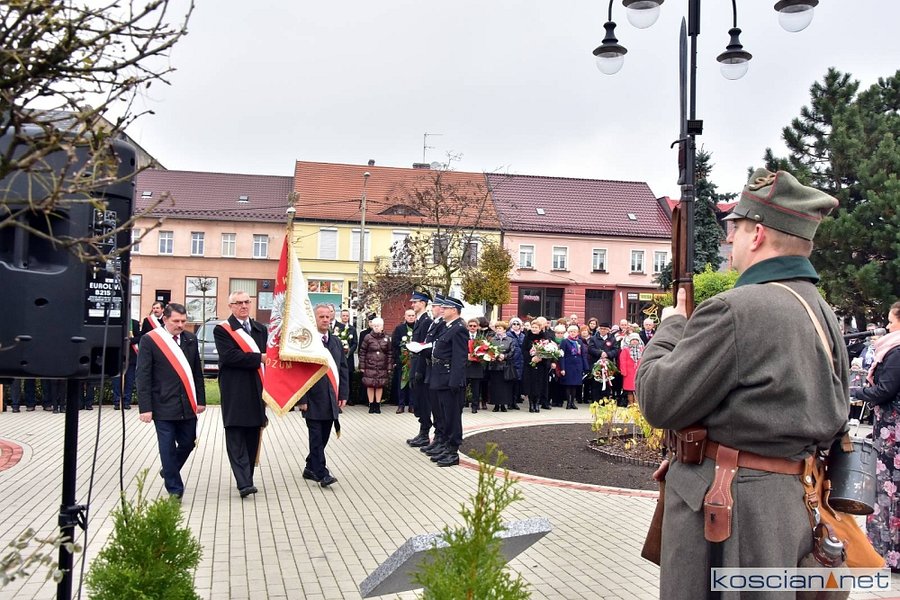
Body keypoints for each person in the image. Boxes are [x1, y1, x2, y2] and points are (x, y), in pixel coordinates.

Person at [635, 168, 849, 599]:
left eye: (737, 227)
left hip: (731, 514)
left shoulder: (736, 308)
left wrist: (671, 326)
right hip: (789, 504)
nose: (730, 238)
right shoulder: (821, 311)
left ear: (758, 234)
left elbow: (658, 400)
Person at [137, 302, 207, 500]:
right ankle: (175, 488)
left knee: (188, 442)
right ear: (165, 319)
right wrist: (145, 408)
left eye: (183, 321)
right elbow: (143, 375)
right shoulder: (150, 340)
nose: (180, 325)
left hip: (187, 403)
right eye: (176, 321)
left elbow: (197, 372)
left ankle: (169, 470)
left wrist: (201, 400)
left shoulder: (190, 339)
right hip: (162, 404)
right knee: (167, 447)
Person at [850, 300, 900, 571]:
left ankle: (890, 553)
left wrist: (854, 392)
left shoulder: (897, 352)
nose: (887, 326)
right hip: (890, 430)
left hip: (894, 435)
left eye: (891, 321)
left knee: (889, 491)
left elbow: (885, 390)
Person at [214, 291, 268, 498]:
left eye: (247, 302)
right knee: (236, 433)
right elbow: (230, 356)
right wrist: (259, 358)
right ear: (231, 306)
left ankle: (248, 477)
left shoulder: (260, 329)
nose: (244, 306)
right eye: (238, 303)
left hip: (257, 388)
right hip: (235, 389)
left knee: (253, 434)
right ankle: (243, 483)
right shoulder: (222, 330)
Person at [298, 303, 349, 488]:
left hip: (331, 397)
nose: (325, 320)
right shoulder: (306, 341)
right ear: (314, 319)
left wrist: (343, 393)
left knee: (324, 435)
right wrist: (301, 399)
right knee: (316, 437)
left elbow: (343, 369)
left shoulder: (335, 342)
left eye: (328, 316)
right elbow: (299, 371)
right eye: (321, 317)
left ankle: (310, 466)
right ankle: (322, 473)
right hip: (312, 397)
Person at [426, 295, 468, 467]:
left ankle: (452, 451)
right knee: (444, 415)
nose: (441, 310)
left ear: (454, 310)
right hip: (440, 376)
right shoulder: (448, 327)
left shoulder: (459, 329)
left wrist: (455, 381)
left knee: (452, 417)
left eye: (445, 308)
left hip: (449, 378)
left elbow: (459, 358)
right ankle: (446, 446)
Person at [405, 291, 433, 447]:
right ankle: (422, 432)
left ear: (423, 303)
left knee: (423, 400)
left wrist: (420, 370)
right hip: (416, 363)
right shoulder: (420, 320)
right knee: (418, 399)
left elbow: (424, 347)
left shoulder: (426, 322)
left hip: (421, 365)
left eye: (415, 302)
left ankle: (424, 433)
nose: (413, 304)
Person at [359, 317, 391, 413]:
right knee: (370, 385)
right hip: (370, 365)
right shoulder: (368, 337)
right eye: (375, 326)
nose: (376, 327)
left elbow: (390, 353)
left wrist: (389, 367)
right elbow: (362, 352)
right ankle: (371, 404)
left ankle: (377, 404)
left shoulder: (387, 338)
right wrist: (362, 366)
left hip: (382, 366)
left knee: (379, 385)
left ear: (382, 327)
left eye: (378, 326)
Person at [521, 320, 551, 412]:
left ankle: (537, 403)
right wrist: (531, 359)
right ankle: (531, 404)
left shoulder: (544, 337)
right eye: (533, 327)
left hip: (541, 365)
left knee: (539, 384)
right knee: (530, 384)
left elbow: (548, 350)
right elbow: (524, 350)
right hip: (530, 365)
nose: (534, 329)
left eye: (536, 327)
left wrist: (541, 357)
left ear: (540, 328)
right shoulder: (527, 337)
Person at [487, 321, 516, 412]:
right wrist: (494, 356)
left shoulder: (510, 340)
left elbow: (512, 351)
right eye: (497, 328)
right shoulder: (492, 340)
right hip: (495, 366)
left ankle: (503, 405)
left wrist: (505, 356)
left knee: (505, 387)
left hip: (505, 366)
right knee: (495, 386)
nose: (498, 330)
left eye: (500, 328)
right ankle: (496, 405)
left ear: (504, 330)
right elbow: (488, 350)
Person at [391, 309, 416, 413]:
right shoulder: (399, 328)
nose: (411, 317)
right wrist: (404, 346)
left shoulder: (418, 327)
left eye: (413, 315)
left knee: (413, 383)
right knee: (401, 383)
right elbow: (394, 343)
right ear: (405, 317)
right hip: (402, 360)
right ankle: (401, 405)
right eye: (409, 315)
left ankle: (412, 405)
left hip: (414, 360)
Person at [112, 318, 141, 410]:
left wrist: (129, 341)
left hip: (131, 357)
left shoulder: (134, 323)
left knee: (129, 381)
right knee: (116, 381)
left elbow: (139, 337)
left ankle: (126, 402)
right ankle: (117, 402)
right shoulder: (115, 322)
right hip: (117, 356)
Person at [559, 325, 587, 409]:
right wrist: (562, 368)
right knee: (568, 384)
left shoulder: (579, 341)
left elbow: (583, 354)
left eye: (574, 332)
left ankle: (572, 403)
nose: (572, 333)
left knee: (575, 385)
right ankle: (568, 402)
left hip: (578, 365)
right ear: (568, 332)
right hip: (568, 365)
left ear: (577, 333)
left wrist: (585, 367)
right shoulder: (565, 341)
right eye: (571, 331)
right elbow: (562, 355)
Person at [465, 318, 486, 414]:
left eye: (474, 326)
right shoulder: (464, 336)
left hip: (477, 365)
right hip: (466, 365)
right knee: (463, 387)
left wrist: (480, 355)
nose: (472, 327)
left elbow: (486, 349)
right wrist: (466, 355)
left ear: (478, 327)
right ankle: (461, 404)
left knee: (476, 388)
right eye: (470, 326)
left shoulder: (481, 337)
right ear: (467, 327)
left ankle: (475, 406)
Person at [618, 333, 643, 406]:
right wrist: (623, 371)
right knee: (630, 390)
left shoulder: (642, 349)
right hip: (629, 373)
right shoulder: (625, 350)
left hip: (639, 372)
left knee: (638, 389)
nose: (634, 341)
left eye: (636, 340)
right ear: (630, 341)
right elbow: (622, 360)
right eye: (633, 340)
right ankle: (631, 403)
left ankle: (637, 404)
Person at [333, 308, 358, 374]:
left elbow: (355, 343)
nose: (345, 317)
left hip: (349, 358)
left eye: (347, 316)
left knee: (349, 376)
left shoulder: (352, 329)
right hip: (338, 357)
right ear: (340, 316)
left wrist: (348, 352)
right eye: (343, 315)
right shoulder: (336, 328)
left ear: (349, 317)